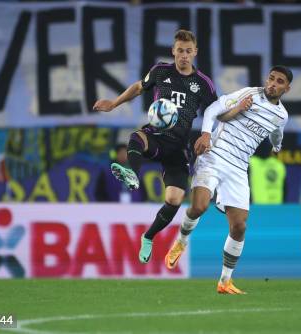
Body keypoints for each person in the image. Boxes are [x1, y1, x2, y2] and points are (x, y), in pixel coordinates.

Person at [164, 66, 292, 294]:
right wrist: (205, 134)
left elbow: (277, 131)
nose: (273, 83)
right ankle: (181, 242)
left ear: (286, 88)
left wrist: (276, 146)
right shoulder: (249, 94)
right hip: (214, 154)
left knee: (239, 226)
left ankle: (225, 281)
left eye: (279, 81)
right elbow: (213, 109)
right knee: (200, 206)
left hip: (239, 167)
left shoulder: (282, 115)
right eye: (271, 78)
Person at [93, 30, 217, 263]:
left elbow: (216, 111)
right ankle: (132, 173)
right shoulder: (160, 71)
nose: (183, 56)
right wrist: (113, 103)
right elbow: (139, 87)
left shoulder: (203, 83)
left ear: (195, 53)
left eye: (188, 51)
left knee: (174, 200)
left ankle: (148, 236)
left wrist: (209, 136)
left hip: (178, 148)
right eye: (180, 50)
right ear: (173, 51)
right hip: (157, 136)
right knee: (137, 137)